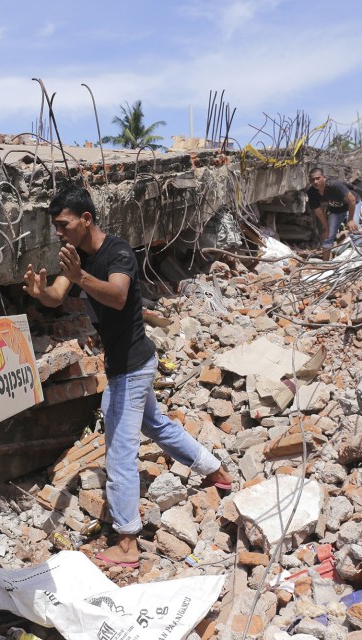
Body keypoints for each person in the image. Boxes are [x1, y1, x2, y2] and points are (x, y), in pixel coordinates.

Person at [22, 186, 232, 568]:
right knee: (156, 425)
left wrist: (80, 277)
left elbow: (118, 296)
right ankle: (215, 470)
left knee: (118, 452)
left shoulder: (117, 253)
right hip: (131, 363)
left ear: (86, 220)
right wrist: (42, 293)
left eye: (63, 225)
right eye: (55, 226)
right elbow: (57, 294)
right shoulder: (80, 257)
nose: (58, 233)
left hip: (131, 367)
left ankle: (127, 541)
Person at [307, 167, 362, 260]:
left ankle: (357, 258)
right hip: (336, 210)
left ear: (324, 177)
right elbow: (319, 212)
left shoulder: (334, 185)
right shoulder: (311, 192)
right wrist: (326, 228)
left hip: (352, 204)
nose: (315, 182)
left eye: (318, 178)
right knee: (327, 235)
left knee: (353, 228)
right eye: (312, 180)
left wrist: (350, 220)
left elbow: (352, 199)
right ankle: (325, 264)